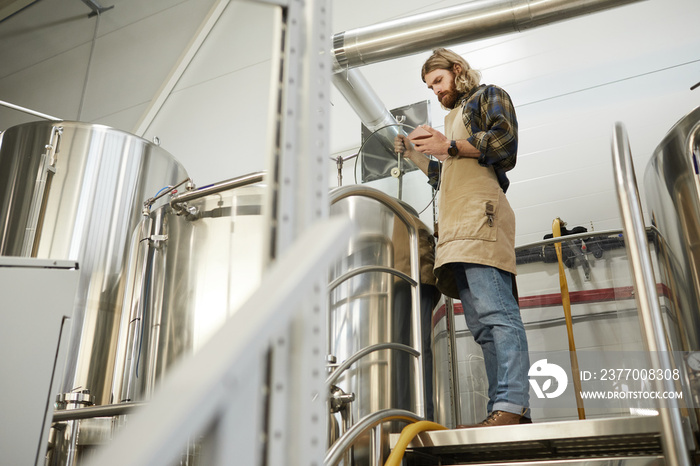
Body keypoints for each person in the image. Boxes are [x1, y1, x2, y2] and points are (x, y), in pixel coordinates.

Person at [394, 48, 531, 427]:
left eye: (438, 81)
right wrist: (415, 152)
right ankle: (504, 412)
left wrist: (448, 145)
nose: (435, 90)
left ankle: (512, 405)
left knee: (499, 317)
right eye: (429, 86)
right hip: (456, 230)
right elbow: (446, 176)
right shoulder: (452, 119)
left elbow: (504, 144)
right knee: (484, 329)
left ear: (457, 70)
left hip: (480, 220)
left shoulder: (488, 96)